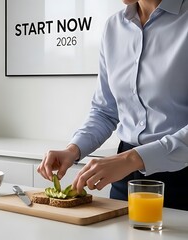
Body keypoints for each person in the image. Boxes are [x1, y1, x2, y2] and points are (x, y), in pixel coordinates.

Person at [37, 0, 188, 211]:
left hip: (182, 176)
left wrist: (132, 159)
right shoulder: (114, 27)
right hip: (124, 176)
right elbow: (105, 111)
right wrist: (73, 149)